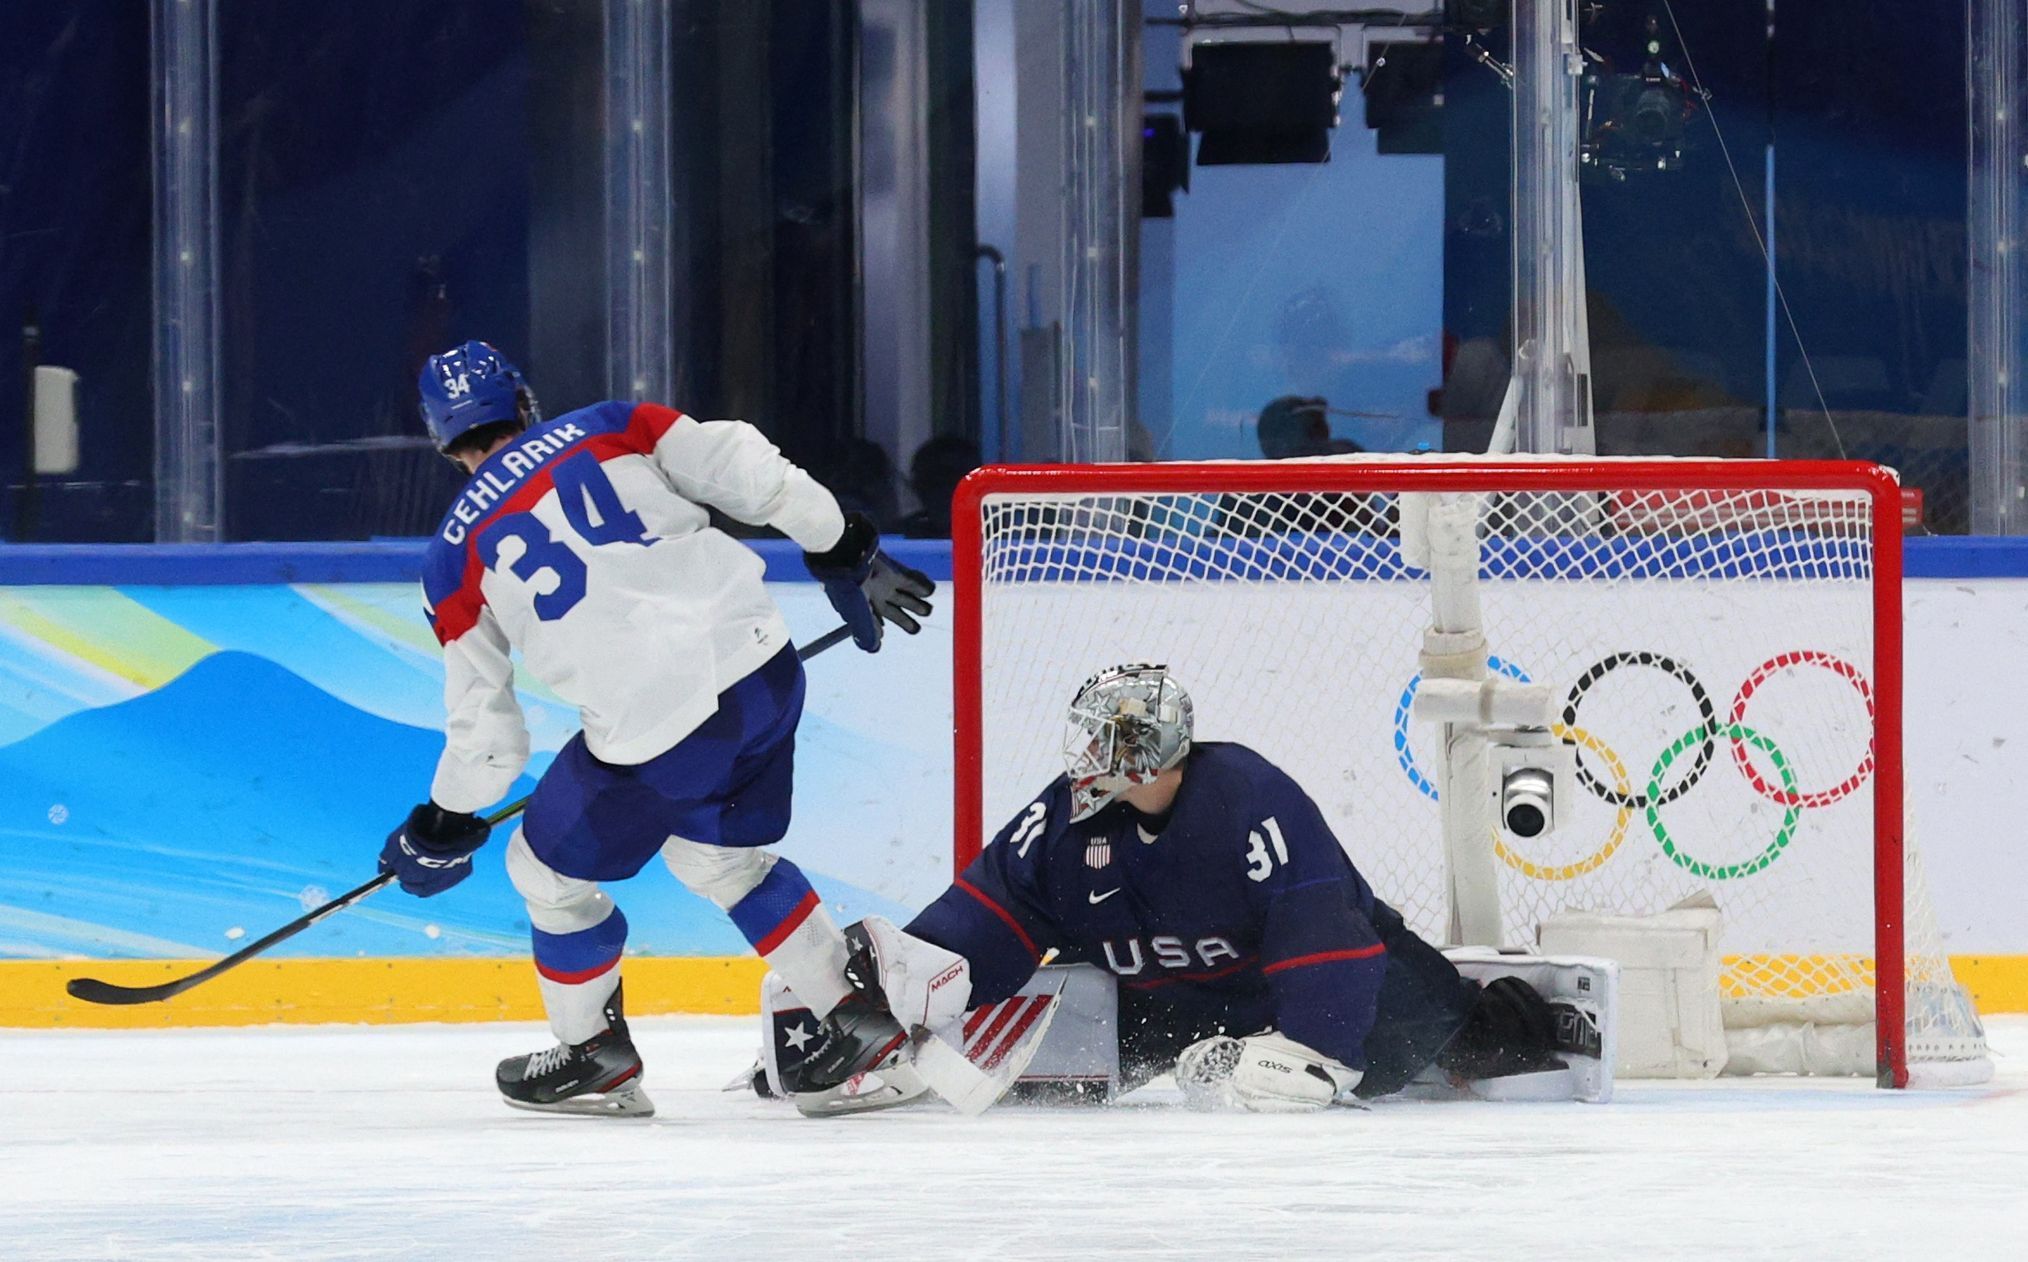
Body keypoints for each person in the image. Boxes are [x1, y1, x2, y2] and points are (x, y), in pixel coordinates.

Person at [379, 340, 935, 1117]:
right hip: (766, 672)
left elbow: (491, 742)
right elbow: (753, 471)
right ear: (524, 402)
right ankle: (855, 1019)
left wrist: (442, 822)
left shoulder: (451, 560)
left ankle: (591, 1056)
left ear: (444, 443)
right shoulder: (611, 424)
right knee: (724, 860)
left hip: (655, 734)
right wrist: (847, 547)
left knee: (544, 874)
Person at [826, 663, 1591, 1111]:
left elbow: (1321, 921)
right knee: (1061, 1080)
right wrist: (908, 983)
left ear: (1151, 753)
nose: (1084, 757)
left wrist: (1316, 1045)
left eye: (1106, 741)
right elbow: (997, 903)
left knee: (1458, 1040)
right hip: (1181, 1011)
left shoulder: (1247, 798)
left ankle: (1496, 1024)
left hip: (1347, 1000)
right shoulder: (1066, 817)